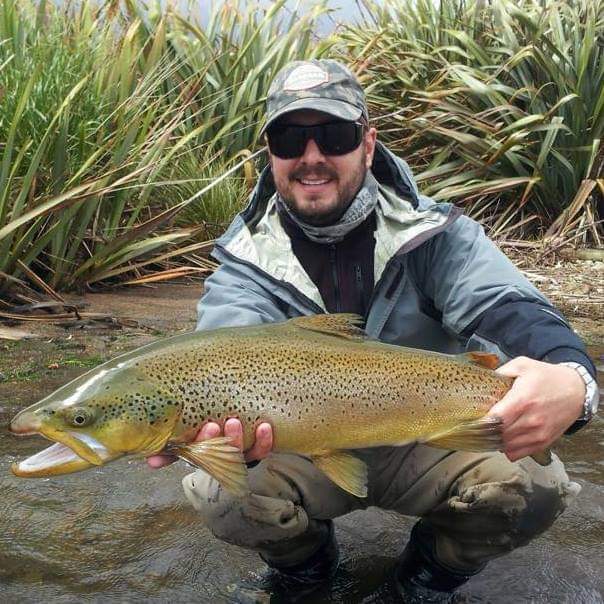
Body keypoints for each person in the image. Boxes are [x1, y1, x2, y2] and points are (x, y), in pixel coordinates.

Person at [148, 59, 599, 601]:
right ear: (270, 153)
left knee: (537, 485)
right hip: (301, 440)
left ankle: (428, 576)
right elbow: (221, 353)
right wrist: (219, 443)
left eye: (333, 136)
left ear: (367, 142)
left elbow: (508, 308)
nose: (311, 158)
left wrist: (573, 379)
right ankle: (307, 571)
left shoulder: (435, 235)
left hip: (428, 430)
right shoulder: (244, 265)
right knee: (217, 487)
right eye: (290, 139)